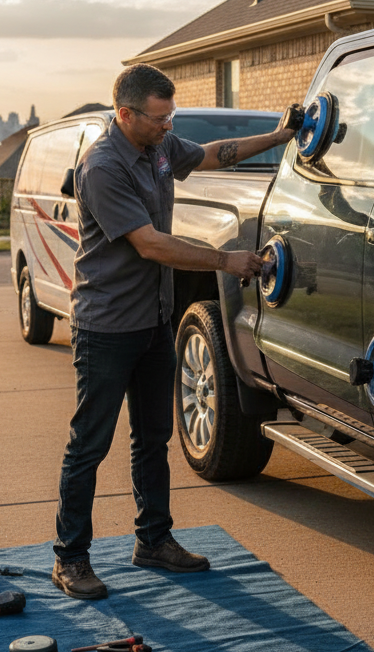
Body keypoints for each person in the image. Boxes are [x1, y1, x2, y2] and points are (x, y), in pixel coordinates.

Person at [52, 63, 295, 599]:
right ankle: (70, 558)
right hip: (107, 327)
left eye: (171, 116)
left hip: (153, 322)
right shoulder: (104, 166)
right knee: (89, 444)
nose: (169, 126)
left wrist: (280, 136)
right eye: (160, 118)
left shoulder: (158, 146)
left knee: (153, 438)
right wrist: (224, 260)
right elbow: (151, 245)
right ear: (126, 114)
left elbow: (213, 154)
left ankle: (153, 541)